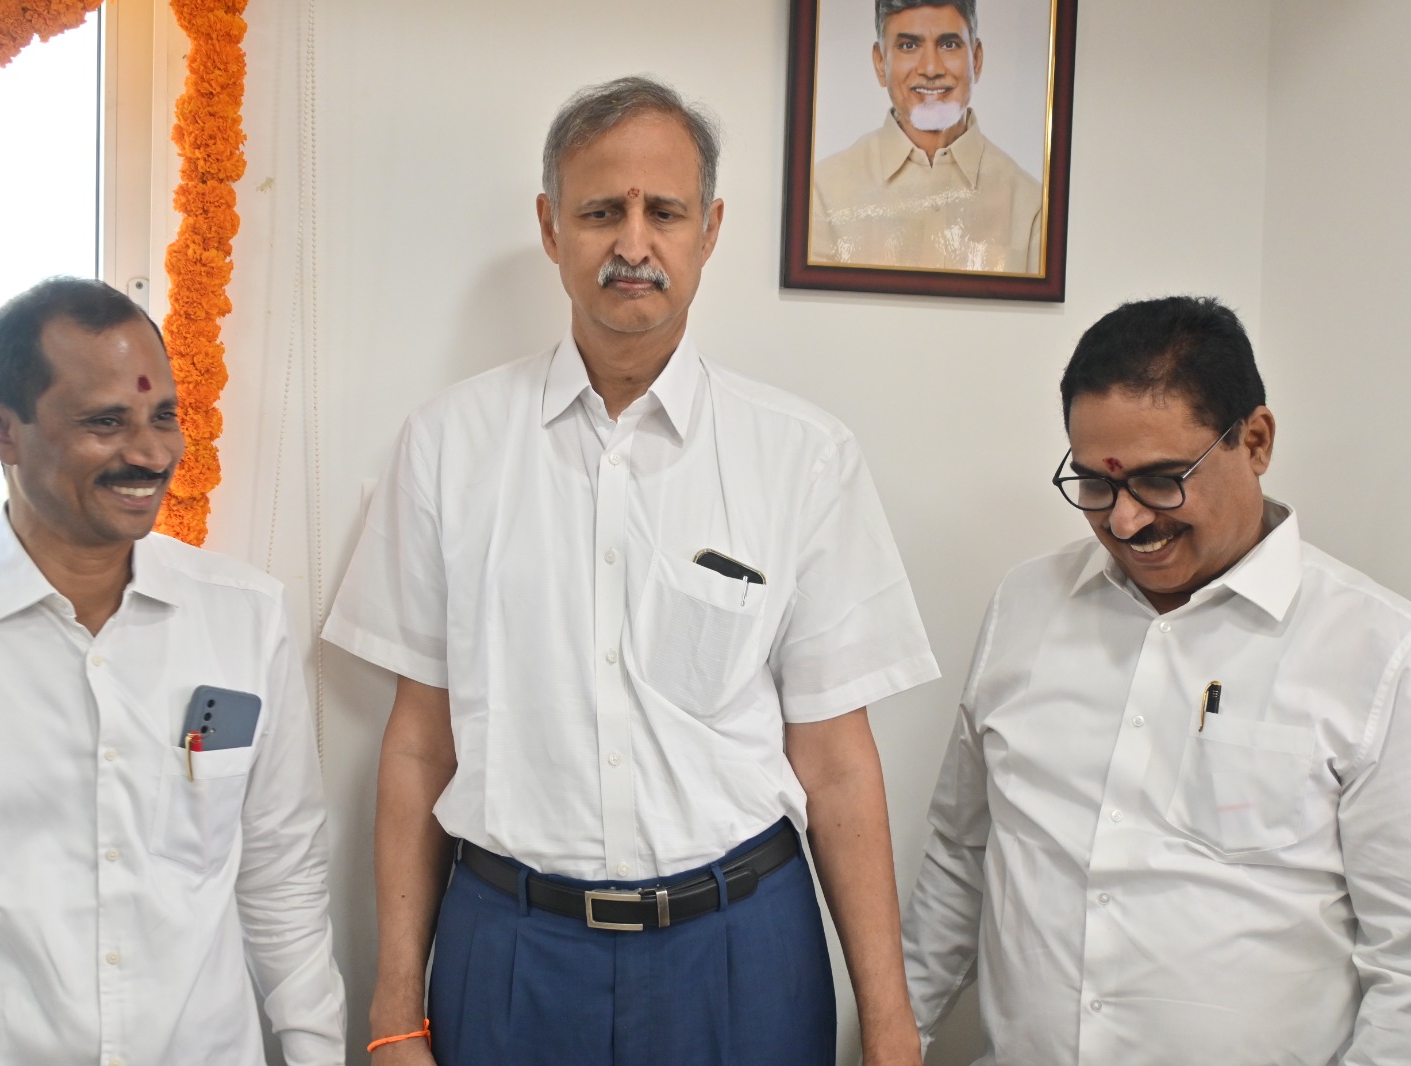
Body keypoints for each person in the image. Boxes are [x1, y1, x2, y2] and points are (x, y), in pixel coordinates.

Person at [326, 76, 938, 1066]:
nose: (634, 242)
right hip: (511, 949)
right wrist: (395, 1005)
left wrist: (892, 1024)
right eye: (601, 211)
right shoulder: (445, 446)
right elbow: (418, 743)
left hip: (741, 949)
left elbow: (834, 760)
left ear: (710, 230)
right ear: (550, 226)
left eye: (666, 213)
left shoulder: (802, 456)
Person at [0, 278, 347, 1065]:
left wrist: (317, 1053)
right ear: (1, 429)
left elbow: (283, 877)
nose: (152, 454)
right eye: (106, 422)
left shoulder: (245, 618)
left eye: (163, 416)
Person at [902, 295, 1411, 1064]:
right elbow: (959, 855)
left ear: (1256, 440)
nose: (1126, 521)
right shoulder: (1025, 605)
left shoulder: (1375, 651)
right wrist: (896, 1031)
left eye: (1162, 480)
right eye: (1095, 485)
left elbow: (1402, 961)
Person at [810, 0, 1043, 272]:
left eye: (949, 44)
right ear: (880, 62)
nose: (931, 68)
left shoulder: (1032, 207)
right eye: (909, 46)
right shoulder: (822, 194)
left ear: (977, 60)